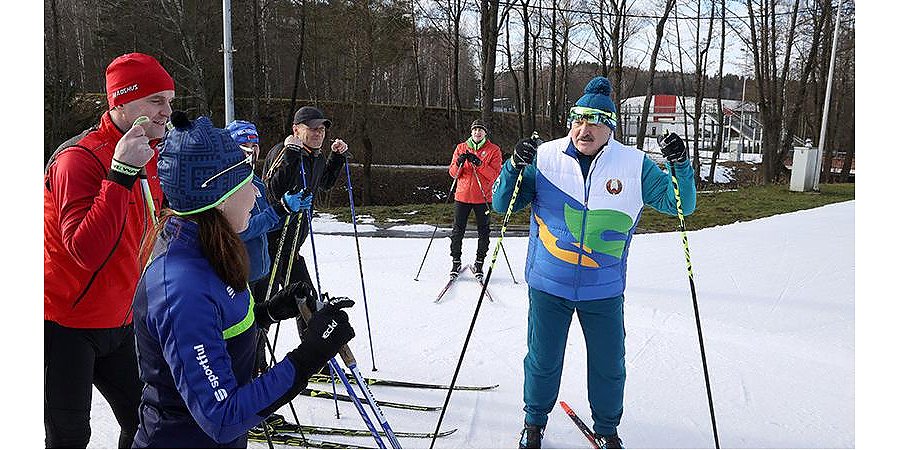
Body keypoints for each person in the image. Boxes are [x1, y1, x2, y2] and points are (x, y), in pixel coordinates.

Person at [492, 76, 697, 449]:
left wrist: (680, 166)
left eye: (595, 121)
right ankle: (533, 423)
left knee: (608, 365)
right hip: (549, 284)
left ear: (610, 127)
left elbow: (679, 205)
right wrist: (512, 166)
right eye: (578, 119)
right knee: (542, 359)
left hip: (602, 289)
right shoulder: (545, 157)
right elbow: (502, 204)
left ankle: (606, 429)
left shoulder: (635, 166)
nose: (584, 129)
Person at [131, 112, 355, 447]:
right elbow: (222, 416)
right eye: (244, 184)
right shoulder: (182, 288)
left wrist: (269, 311)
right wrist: (310, 354)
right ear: (216, 200)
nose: (255, 193)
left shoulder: (211, 251)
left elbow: (218, 330)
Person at [43, 52, 174, 448]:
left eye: (170, 100)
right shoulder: (77, 159)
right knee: (70, 435)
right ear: (121, 101)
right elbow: (86, 251)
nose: (168, 111)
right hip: (64, 322)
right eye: (157, 100)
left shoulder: (149, 153)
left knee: (147, 420)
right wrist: (120, 174)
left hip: (120, 318)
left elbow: (154, 228)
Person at [226, 119, 313, 373]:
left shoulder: (256, 182)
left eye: (254, 145)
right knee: (245, 334)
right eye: (243, 144)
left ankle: (258, 375)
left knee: (259, 328)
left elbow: (268, 225)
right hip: (240, 273)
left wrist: (291, 212)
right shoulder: (229, 184)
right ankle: (249, 383)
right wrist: (280, 208)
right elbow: (243, 229)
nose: (250, 150)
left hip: (262, 270)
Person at [262, 106, 347, 294]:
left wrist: (336, 158)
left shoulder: (316, 157)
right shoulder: (282, 152)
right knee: (266, 302)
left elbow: (324, 183)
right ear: (296, 130)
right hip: (270, 247)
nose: (318, 133)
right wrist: (292, 155)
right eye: (312, 128)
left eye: (321, 129)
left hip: (293, 248)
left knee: (308, 302)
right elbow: (273, 193)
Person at [447, 119, 503, 280]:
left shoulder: (493, 150)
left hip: (483, 197)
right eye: (475, 130)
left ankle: (479, 263)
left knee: (484, 231)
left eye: (480, 130)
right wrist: (459, 163)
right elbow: (453, 173)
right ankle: (455, 261)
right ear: (471, 132)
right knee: (457, 231)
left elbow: (494, 175)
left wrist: (478, 163)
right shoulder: (461, 148)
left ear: (485, 133)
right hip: (462, 196)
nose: (477, 132)